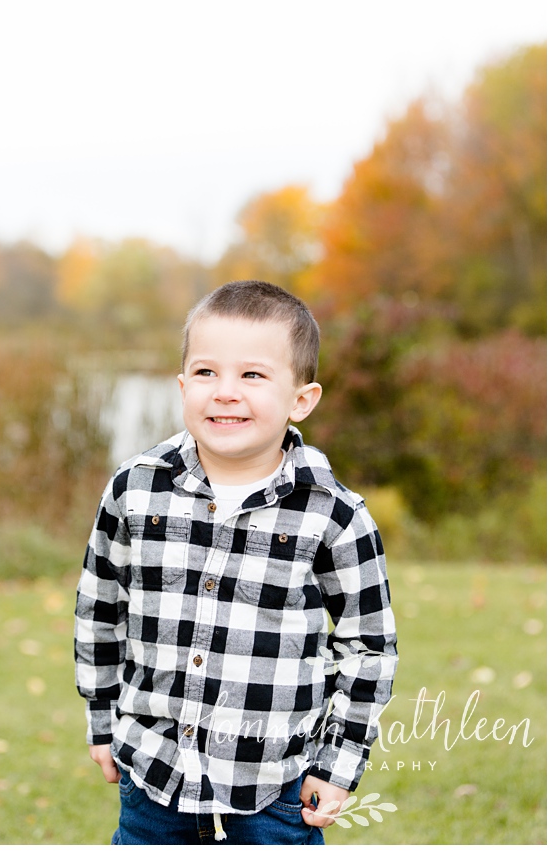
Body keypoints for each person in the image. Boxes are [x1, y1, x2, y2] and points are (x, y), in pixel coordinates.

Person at [73, 280, 397, 843]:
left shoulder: (335, 517)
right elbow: (101, 611)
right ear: (181, 386)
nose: (225, 392)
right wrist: (103, 720)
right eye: (206, 373)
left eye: (252, 375)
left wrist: (337, 765)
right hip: (153, 776)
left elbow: (367, 648)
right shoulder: (135, 490)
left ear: (302, 399)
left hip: (276, 788)